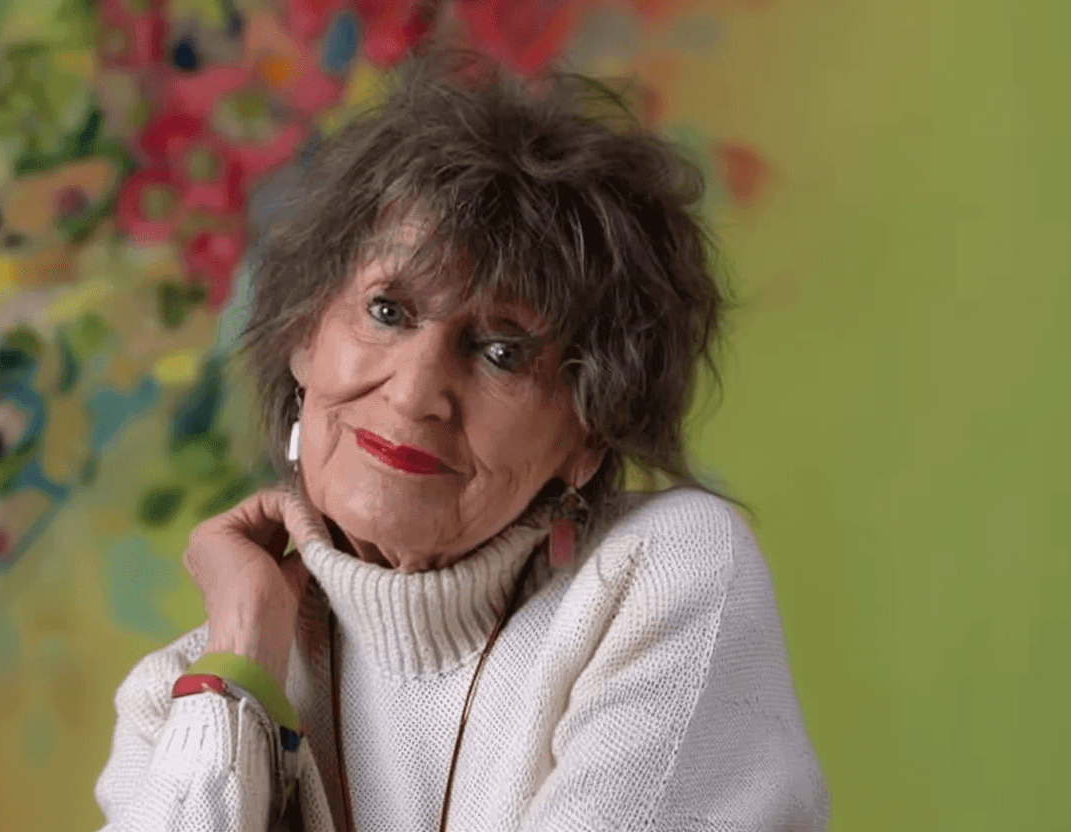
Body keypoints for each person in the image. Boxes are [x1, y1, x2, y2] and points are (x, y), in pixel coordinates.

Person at [94, 47, 830, 832]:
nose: (416, 394)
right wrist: (240, 666)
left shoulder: (657, 576)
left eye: (502, 351)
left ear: (589, 429)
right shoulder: (183, 693)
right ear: (303, 338)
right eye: (387, 311)